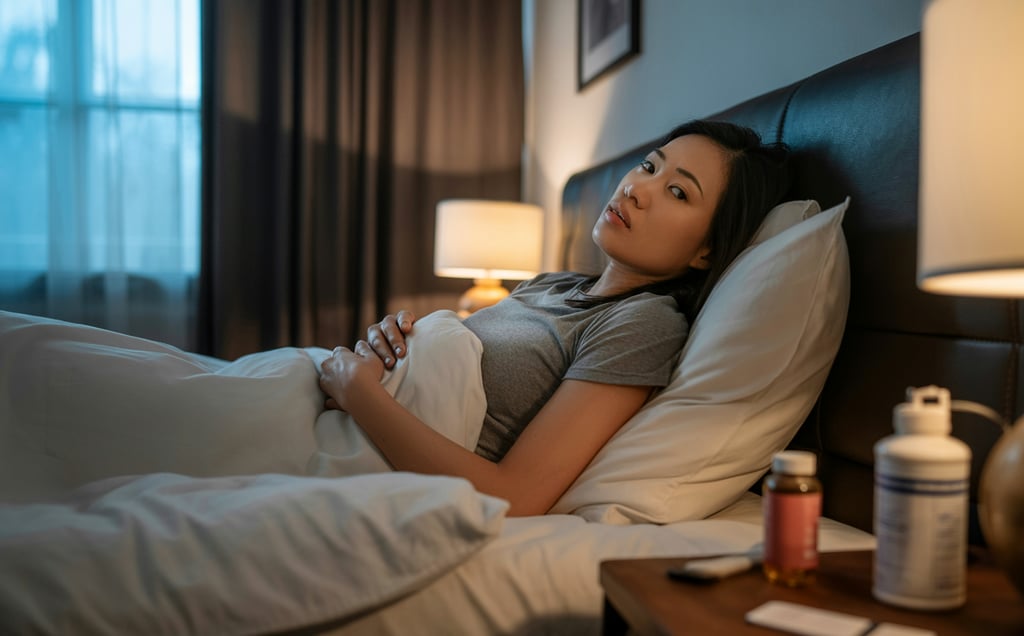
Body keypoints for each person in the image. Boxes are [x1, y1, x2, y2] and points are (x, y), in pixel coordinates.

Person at [319, 119, 791, 517]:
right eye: (649, 165)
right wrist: (392, 350)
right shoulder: (552, 283)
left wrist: (361, 393)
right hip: (334, 415)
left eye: (676, 191)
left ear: (707, 251)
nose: (636, 188)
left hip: (359, 450)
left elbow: (516, 496)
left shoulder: (642, 324)